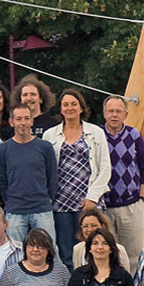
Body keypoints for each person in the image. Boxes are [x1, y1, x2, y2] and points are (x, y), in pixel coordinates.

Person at [40, 88, 111, 261]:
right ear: (61, 109)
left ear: (81, 108)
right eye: (65, 104)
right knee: (66, 251)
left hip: (88, 201)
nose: (69, 108)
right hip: (61, 201)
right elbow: (44, 170)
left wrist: (92, 198)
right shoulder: (49, 135)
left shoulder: (95, 133)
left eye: (74, 104)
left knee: (95, 247)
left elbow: (105, 167)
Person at [0, 106, 57, 244]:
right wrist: (10, 201)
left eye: (27, 118)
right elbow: (1, 181)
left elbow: (52, 177)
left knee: (49, 252)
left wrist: (48, 199)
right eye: (18, 119)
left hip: (42, 210)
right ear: (11, 122)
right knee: (16, 254)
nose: (23, 123)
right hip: (15, 212)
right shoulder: (2, 150)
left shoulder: (45, 147)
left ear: (32, 121)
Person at [100, 95, 144, 266]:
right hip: (105, 206)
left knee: (135, 256)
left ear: (125, 115)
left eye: (118, 111)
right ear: (104, 113)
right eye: (111, 111)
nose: (114, 115)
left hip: (131, 205)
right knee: (109, 256)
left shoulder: (134, 135)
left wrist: (143, 198)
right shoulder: (97, 135)